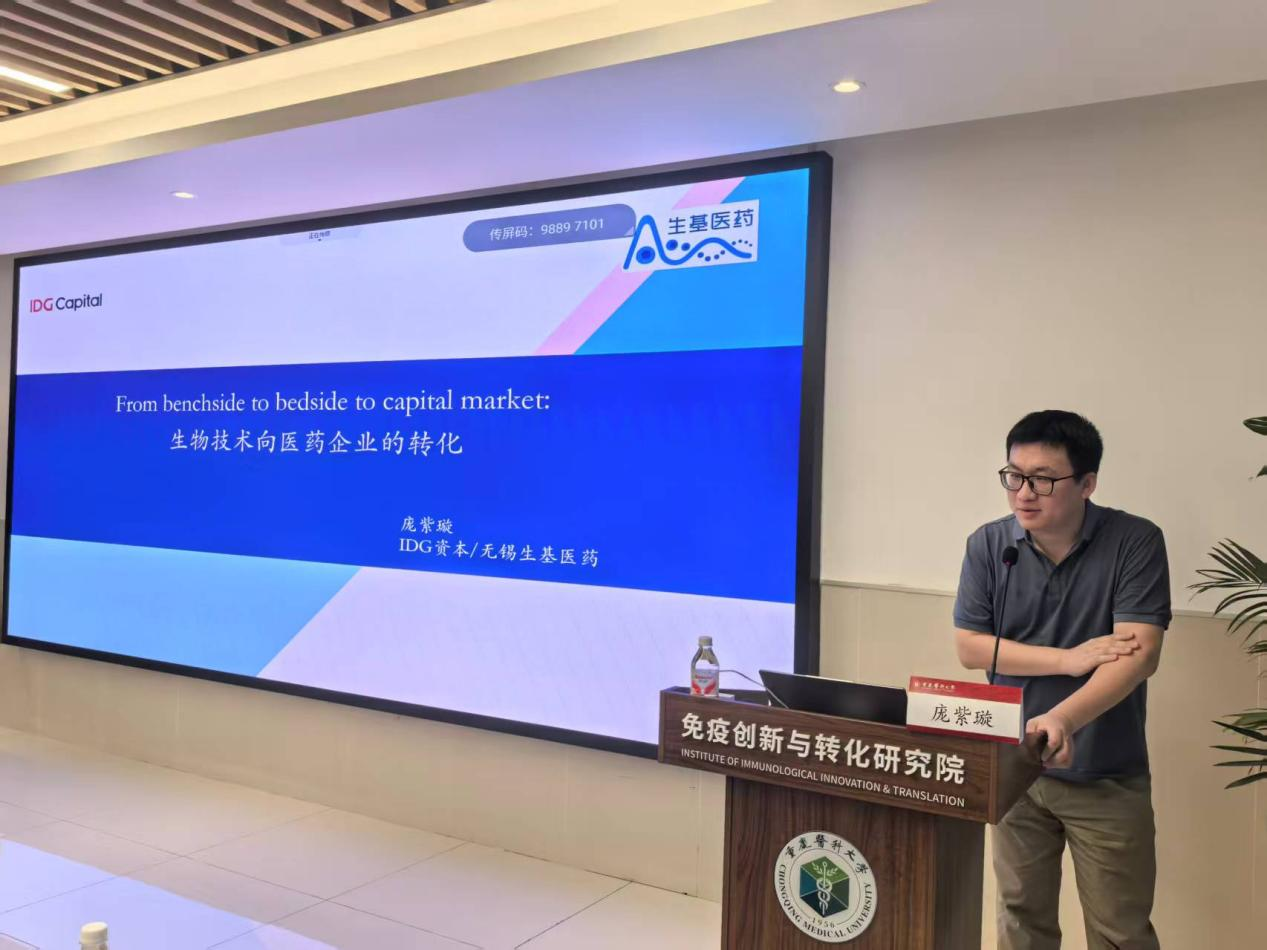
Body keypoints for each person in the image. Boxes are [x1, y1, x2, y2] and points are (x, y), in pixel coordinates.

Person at [953, 410, 1169, 950]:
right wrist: (1067, 660)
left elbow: (1139, 655)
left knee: (1120, 930)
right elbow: (970, 647)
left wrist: (1063, 717)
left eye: (1044, 479)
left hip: (1105, 772)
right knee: (1020, 920)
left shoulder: (1134, 541)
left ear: (1087, 483)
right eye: (1014, 476)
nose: (1024, 493)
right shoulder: (990, 545)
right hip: (1014, 766)